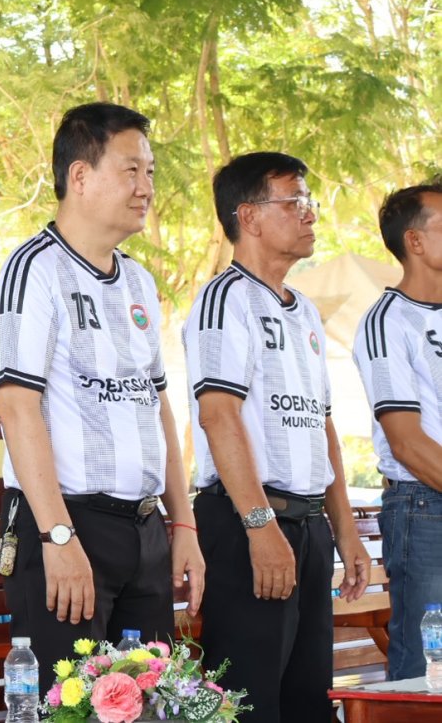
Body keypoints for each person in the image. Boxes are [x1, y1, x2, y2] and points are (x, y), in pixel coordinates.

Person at [0, 102, 204, 694]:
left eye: (150, 172)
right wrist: (57, 536)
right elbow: (16, 409)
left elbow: (157, 407)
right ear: (79, 176)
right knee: (71, 704)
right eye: (131, 170)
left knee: (151, 704)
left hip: (144, 529)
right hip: (66, 526)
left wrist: (183, 523)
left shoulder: (138, 281)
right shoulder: (32, 272)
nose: (146, 187)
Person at [184, 152, 370, 722]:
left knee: (308, 702)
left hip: (306, 528)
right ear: (250, 216)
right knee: (249, 703)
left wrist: (345, 532)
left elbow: (322, 425)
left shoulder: (305, 311)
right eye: (294, 202)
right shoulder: (224, 299)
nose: (309, 214)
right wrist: (260, 526)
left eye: (309, 202)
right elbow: (218, 417)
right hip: (250, 523)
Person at [352, 180, 442, 680]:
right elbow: (406, 442)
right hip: (424, 507)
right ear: (415, 241)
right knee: (426, 666)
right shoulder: (388, 321)